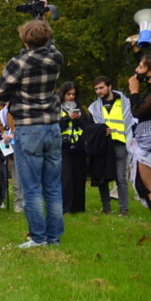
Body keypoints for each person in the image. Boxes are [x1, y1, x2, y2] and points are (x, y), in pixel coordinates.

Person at [0, 18, 64, 247]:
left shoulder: (19, 62)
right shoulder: (56, 57)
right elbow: (50, 45)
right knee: (52, 186)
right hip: (52, 126)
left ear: (24, 39)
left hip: (29, 127)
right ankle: (54, 238)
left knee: (31, 188)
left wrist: (14, 92)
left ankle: (38, 238)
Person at [88, 76, 133, 216]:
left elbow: (130, 122)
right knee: (103, 177)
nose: (98, 91)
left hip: (120, 144)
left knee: (121, 178)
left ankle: (124, 209)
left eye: (101, 87)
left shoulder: (125, 103)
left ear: (110, 86)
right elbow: (91, 127)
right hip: (104, 145)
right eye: (96, 89)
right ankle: (106, 208)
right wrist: (101, 131)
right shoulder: (94, 107)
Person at [128, 55, 151, 236]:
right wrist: (138, 48)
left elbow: (138, 110)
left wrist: (133, 91)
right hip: (150, 139)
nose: (136, 70)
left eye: (140, 67)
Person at [58, 81, 89, 214]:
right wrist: (67, 119)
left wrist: (78, 119)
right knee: (66, 179)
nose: (71, 97)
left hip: (79, 146)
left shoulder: (80, 109)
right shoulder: (57, 108)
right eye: (68, 94)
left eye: (73, 94)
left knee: (79, 178)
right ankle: (67, 208)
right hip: (63, 146)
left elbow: (87, 127)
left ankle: (78, 207)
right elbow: (55, 126)